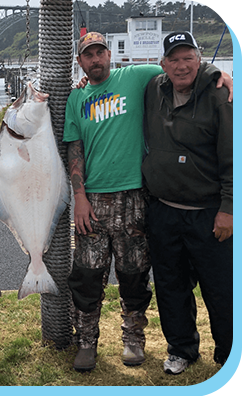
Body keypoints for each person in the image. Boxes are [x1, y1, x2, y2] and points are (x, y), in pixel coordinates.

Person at [63, 32, 232, 372]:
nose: (95, 59)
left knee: (135, 275)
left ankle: (135, 339)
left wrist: (219, 74)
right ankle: (88, 343)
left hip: (137, 196)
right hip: (98, 200)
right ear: (80, 62)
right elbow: (74, 146)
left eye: (100, 52)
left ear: (110, 55)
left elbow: (184, 71)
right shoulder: (77, 96)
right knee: (88, 275)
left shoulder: (137, 77)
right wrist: (78, 195)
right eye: (88, 55)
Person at [142, 32, 232, 375]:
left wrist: (229, 208)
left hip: (209, 213)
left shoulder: (221, 94)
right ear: (163, 64)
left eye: (188, 58)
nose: (181, 66)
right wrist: (82, 84)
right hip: (163, 210)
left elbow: (232, 158)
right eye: (174, 59)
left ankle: (228, 351)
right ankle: (181, 348)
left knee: (221, 288)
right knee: (170, 285)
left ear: (200, 59)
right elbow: (108, 79)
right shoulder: (154, 88)